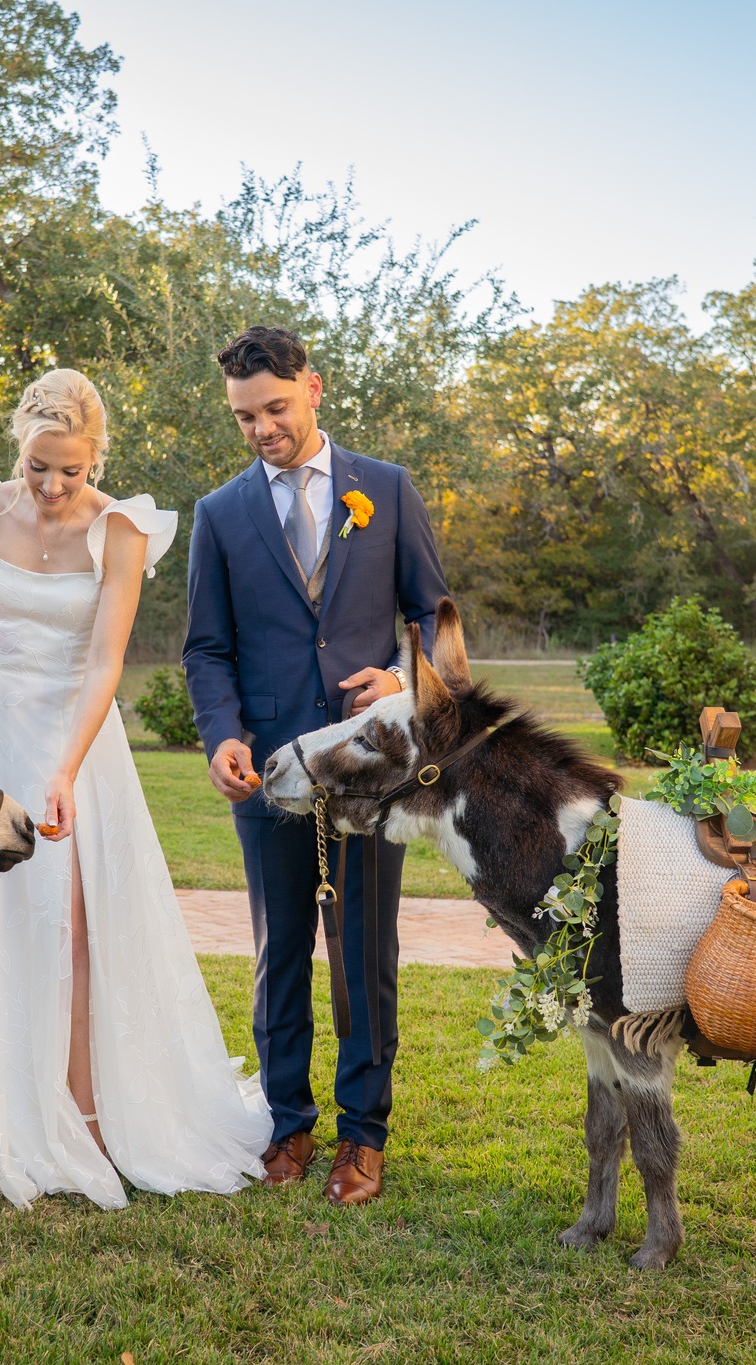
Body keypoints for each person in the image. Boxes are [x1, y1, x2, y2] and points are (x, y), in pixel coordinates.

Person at [0, 368, 271, 1207]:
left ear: (97, 457)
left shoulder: (118, 529)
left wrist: (64, 768)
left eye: (73, 469)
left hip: (75, 741)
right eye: (39, 467)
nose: (54, 486)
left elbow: (106, 659)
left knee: (75, 922)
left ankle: (88, 1116)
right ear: (18, 448)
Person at [182, 326, 450, 1205]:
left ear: (314, 388)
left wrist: (405, 681)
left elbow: (436, 621)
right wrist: (222, 733)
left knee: (366, 952)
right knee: (280, 949)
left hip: (370, 766)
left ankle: (362, 1137)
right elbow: (207, 649)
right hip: (267, 770)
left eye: (275, 408)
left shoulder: (390, 489)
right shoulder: (219, 514)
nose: (261, 428)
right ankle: (288, 1124)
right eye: (244, 416)